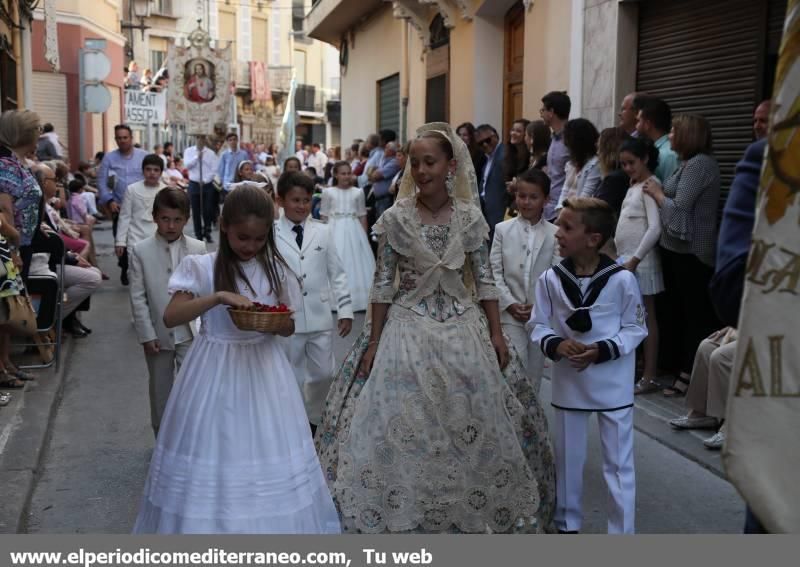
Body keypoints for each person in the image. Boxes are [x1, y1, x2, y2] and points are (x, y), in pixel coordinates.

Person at [315, 123, 555, 533]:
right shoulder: (395, 218)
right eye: (415, 162)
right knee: (401, 413)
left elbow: (483, 280)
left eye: (431, 162)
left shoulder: (469, 217)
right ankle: (408, 495)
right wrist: (372, 341)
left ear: (450, 166)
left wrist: (497, 334)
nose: (422, 170)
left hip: (464, 326)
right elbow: (383, 284)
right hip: (407, 327)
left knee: (474, 409)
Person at [133, 185, 340, 534]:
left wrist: (277, 321)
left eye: (259, 239)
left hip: (265, 372)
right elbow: (171, 316)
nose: (250, 246)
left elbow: (288, 326)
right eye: (243, 237)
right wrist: (217, 297)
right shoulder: (200, 266)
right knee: (217, 446)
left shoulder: (277, 269)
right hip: (213, 370)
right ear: (224, 226)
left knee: (265, 448)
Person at [531, 197, 648, 534]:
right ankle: (568, 524)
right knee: (568, 458)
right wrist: (556, 343)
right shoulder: (551, 280)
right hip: (570, 380)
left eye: (567, 227)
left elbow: (636, 327)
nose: (558, 233)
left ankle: (621, 533)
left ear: (593, 238)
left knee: (618, 463)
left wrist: (602, 349)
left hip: (612, 381)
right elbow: (539, 324)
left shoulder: (622, 279)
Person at [643, 114, 721, 397]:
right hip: (678, 251)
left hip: (693, 254)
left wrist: (657, 192)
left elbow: (681, 208)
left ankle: (690, 375)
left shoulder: (700, 165)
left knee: (695, 316)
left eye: (675, 130)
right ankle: (681, 369)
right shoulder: (687, 163)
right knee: (681, 313)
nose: (670, 135)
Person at [274, 172, 354, 433]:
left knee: (324, 374)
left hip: (319, 316)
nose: (300, 206)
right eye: (295, 200)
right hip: (288, 319)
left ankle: (316, 417)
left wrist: (345, 309)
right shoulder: (271, 233)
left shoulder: (323, 231)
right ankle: (295, 424)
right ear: (281, 201)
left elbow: (338, 273)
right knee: (291, 375)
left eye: (306, 200)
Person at [129, 189, 207, 437]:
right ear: (154, 217)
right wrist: (146, 334)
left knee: (192, 390)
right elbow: (138, 296)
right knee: (160, 391)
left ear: (186, 219)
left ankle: (188, 441)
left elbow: (205, 291)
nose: (171, 225)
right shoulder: (141, 250)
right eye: (165, 219)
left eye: (177, 219)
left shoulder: (198, 247)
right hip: (158, 336)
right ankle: (161, 440)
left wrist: (206, 330)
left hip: (191, 334)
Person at [490, 168, 559, 393]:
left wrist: (540, 305)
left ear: (546, 199)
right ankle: (512, 423)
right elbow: (494, 272)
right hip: (510, 313)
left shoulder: (554, 233)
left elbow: (556, 274)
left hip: (540, 315)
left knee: (534, 372)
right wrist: (509, 303)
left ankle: (532, 424)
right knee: (513, 368)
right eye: (522, 196)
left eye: (533, 197)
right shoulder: (502, 229)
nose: (526, 202)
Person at [614, 137, 664, 396]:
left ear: (644, 158)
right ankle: (633, 369)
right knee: (631, 316)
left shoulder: (650, 185)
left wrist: (635, 259)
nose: (627, 168)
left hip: (641, 261)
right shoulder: (633, 185)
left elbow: (655, 228)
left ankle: (650, 375)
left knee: (647, 317)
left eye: (631, 163)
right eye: (623, 164)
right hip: (626, 260)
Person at [320, 162, 375, 311]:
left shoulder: (358, 192)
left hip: (353, 229)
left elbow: (362, 216)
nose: (346, 176)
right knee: (335, 260)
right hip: (334, 229)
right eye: (343, 173)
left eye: (348, 173)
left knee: (355, 262)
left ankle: (358, 299)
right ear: (336, 175)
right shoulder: (328, 192)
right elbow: (324, 216)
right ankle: (333, 299)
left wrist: (364, 238)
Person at [97, 124, 148, 285]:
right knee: (121, 238)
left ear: (131, 138)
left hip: (141, 205)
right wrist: (109, 200)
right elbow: (101, 181)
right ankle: (125, 266)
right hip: (119, 205)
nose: (122, 141)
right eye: (119, 138)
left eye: (125, 137)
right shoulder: (109, 158)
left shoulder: (143, 156)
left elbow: (153, 176)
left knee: (141, 238)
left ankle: (139, 268)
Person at [115, 154, 166, 261]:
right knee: (135, 273)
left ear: (161, 172)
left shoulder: (165, 191)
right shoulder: (132, 190)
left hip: (158, 239)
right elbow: (125, 216)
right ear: (142, 171)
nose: (152, 173)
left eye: (156, 170)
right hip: (135, 238)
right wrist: (120, 241)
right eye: (148, 169)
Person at [555, 118, 601, 212]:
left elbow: (585, 196)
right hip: (566, 213)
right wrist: (560, 209)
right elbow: (565, 190)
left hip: (581, 215)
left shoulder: (595, 164)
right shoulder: (570, 165)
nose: (565, 144)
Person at [540, 91, 571, 221]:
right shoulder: (553, 138)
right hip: (548, 208)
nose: (540, 114)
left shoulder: (571, 139)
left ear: (551, 112)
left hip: (562, 209)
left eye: (543, 110)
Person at [184, 136, 220, 243]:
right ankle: (198, 234)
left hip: (207, 184)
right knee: (195, 210)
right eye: (198, 138)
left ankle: (207, 231)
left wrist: (205, 180)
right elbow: (187, 165)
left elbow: (214, 169)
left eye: (202, 138)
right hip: (194, 183)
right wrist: (197, 158)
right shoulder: (189, 151)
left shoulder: (211, 153)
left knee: (208, 209)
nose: (200, 141)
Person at [636, 96, 679, 183]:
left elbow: (670, 192)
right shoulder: (657, 149)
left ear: (647, 124)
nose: (636, 125)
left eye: (638, 121)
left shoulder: (668, 155)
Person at [475, 124, 506, 235]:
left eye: (488, 140)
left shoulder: (504, 155)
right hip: (487, 212)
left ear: (496, 136)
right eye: (480, 143)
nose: (485, 144)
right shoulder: (488, 159)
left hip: (500, 212)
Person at [594, 127, 630, 220]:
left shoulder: (614, 179)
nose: (598, 153)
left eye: (600, 148)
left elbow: (597, 212)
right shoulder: (621, 175)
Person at [368, 141, 401, 218]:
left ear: (392, 151)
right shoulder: (384, 160)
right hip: (379, 199)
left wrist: (374, 173)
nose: (384, 150)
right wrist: (373, 174)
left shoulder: (394, 162)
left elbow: (376, 176)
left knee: (384, 225)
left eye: (386, 148)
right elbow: (369, 174)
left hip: (385, 199)